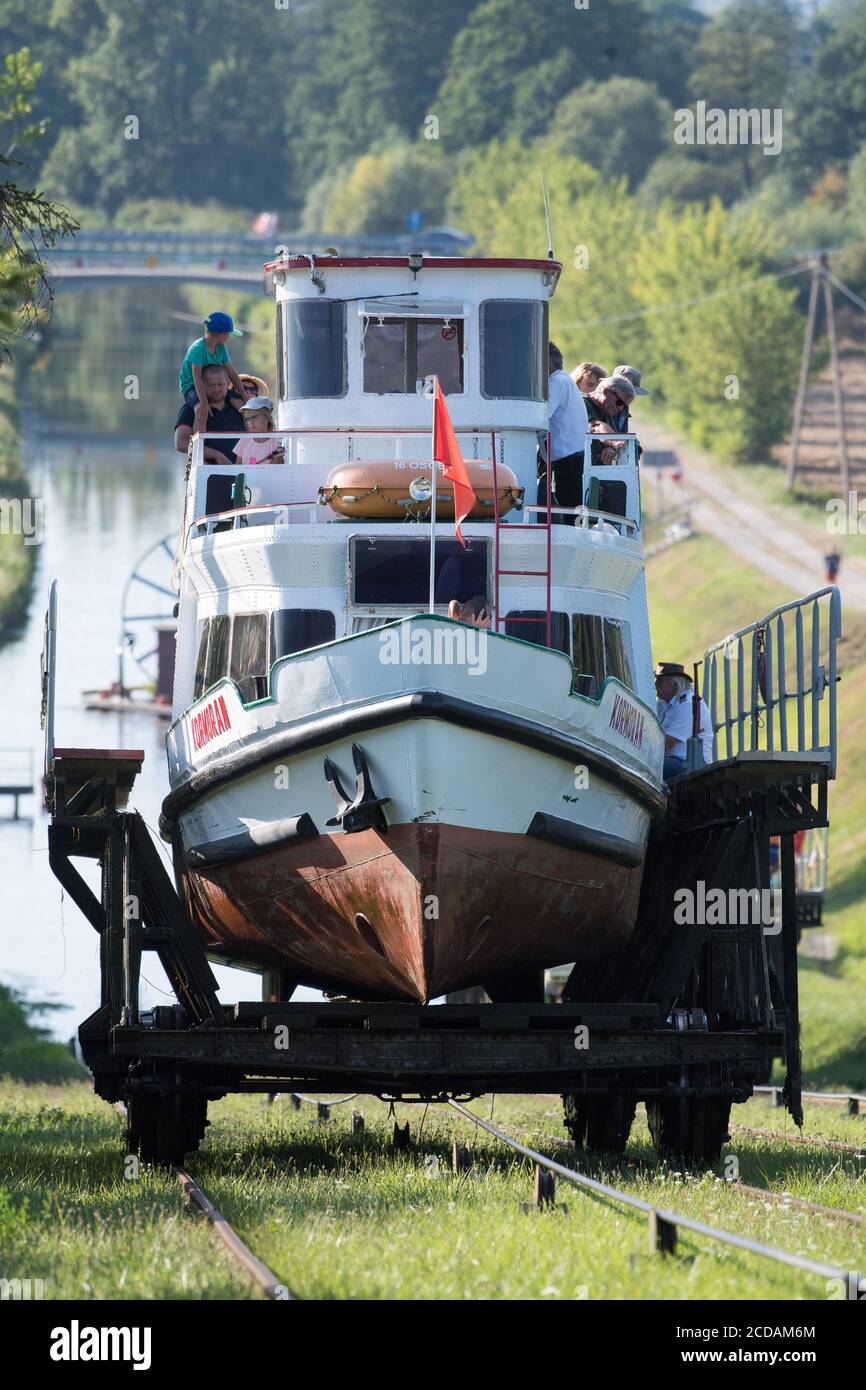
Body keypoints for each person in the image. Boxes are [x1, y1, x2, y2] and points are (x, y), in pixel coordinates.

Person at [542, 341, 589, 524]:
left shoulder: (557, 382)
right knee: (570, 506)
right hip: (572, 456)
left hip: (568, 459)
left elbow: (542, 416)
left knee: (569, 509)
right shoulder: (565, 381)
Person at [178, 311, 247, 424]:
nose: (229, 337)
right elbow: (197, 377)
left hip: (210, 383)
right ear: (221, 334)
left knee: (239, 401)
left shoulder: (221, 347)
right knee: (201, 409)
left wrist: (243, 395)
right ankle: (201, 439)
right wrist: (204, 402)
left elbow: (232, 373)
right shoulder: (197, 349)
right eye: (228, 334)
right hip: (191, 387)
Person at [175, 363, 245, 464]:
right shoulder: (190, 409)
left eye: (220, 384)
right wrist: (215, 454)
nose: (216, 389)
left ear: (228, 382)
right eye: (211, 385)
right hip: (207, 475)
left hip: (243, 474)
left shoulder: (239, 407)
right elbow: (181, 444)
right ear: (201, 385)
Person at [654, 661, 713, 780]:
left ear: (674, 684)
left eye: (660, 680)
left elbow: (667, 743)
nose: (656, 684)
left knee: (651, 765)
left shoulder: (688, 705)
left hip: (688, 764)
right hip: (672, 760)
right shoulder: (662, 704)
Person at [583, 375, 635, 464]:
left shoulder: (609, 410)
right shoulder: (583, 404)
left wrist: (613, 448)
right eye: (619, 402)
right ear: (606, 391)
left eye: (624, 406)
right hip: (579, 471)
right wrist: (615, 442)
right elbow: (596, 427)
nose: (621, 408)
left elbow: (622, 435)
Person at [234, 396, 285, 466]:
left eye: (254, 417)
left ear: (268, 417)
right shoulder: (244, 440)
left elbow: (273, 472)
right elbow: (238, 468)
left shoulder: (276, 443)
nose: (250, 422)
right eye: (247, 419)